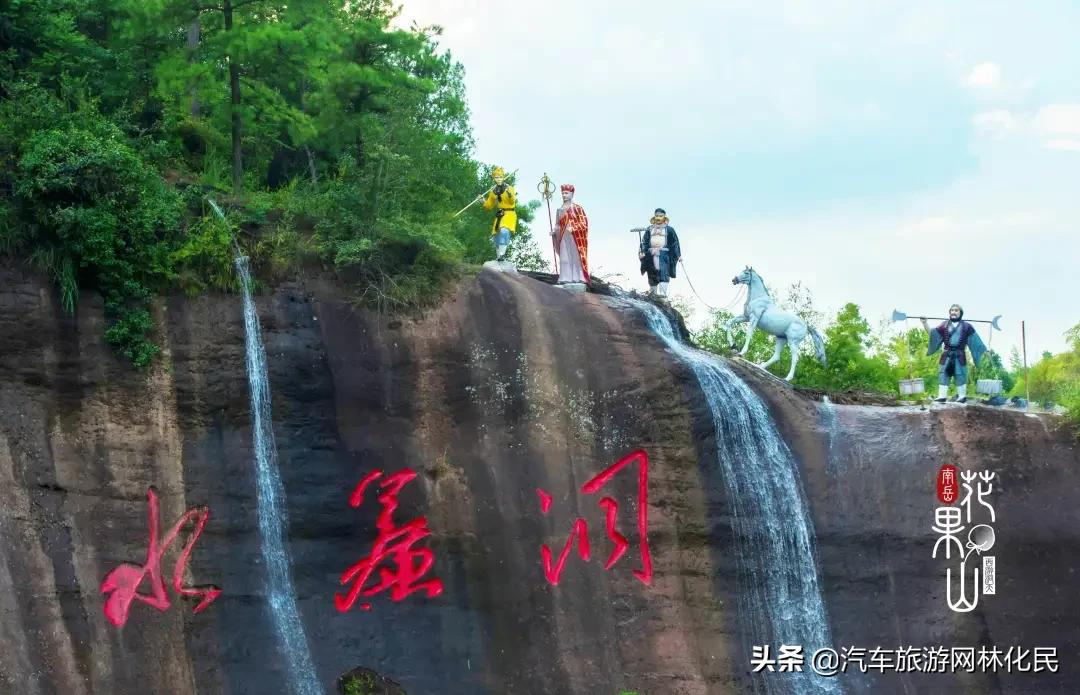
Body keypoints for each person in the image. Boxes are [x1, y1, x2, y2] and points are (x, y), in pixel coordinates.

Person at [922, 304, 987, 403]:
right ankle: (942, 396)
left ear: (960, 313)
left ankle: (962, 396)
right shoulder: (943, 325)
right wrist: (924, 323)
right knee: (943, 374)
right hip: (946, 355)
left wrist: (984, 351)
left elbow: (976, 341)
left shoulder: (967, 326)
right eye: (952, 310)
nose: (953, 312)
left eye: (956, 310)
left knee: (960, 374)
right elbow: (932, 334)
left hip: (960, 356)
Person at [552, 183, 590, 287]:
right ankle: (565, 277)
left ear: (571, 194)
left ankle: (579, 277)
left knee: (576, 257)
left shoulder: (577, 208)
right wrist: (555, 231)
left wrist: (573, 228)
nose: (564, 195)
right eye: (563, 193)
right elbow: (557, 224)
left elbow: (584, 223)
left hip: (575, 237)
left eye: (566, 193)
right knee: (564, 257)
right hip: (563, 236)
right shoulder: (559, 210)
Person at [638, 208, 681, 298]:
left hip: (664, 255)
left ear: (664, 217)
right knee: (652, 274)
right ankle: (653, 294)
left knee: (664, 273)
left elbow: (675, 243)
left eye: (660, 216)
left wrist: (678, 255)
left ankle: (663, 295)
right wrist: (642, 252)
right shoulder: (649, 229)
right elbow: (644, 242)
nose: (658, 218)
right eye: (657, 216)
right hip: (651, 254)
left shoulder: (669, 230)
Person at [481, 167, 516, 261]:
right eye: (496, 177)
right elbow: (488, 206)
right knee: (497, 235)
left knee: (504, 231)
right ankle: (498, 257)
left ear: (503, 177)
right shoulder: (493, 191)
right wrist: (482, 200)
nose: (498, 179)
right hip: (500, 214)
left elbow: (512, 201)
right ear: (494, 179)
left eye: (500, 177)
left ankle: (502, 255)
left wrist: (509, 193)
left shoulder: (510, 188)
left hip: (509, 213)